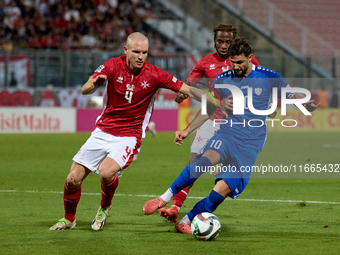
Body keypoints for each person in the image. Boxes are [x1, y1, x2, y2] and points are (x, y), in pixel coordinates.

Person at [143, 37, 319, 233]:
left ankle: (186, 220)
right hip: (228, 134)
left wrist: (305, 105)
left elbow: (290, 96)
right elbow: (211, 107)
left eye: (240, 62)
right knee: (201, 163)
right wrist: (189, 128)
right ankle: (163, 198)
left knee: (220, 192)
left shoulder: (269, 76)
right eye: (233, 62)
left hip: (251, 144)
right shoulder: (222, 79)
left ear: (250, 58)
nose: (236, 66)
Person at [49, 32, 210, 231]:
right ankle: (69, 219)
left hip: (128, 136)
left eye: (145, 52)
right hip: (103, 131)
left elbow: (187, 89)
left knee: (106, 173)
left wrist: (209, 99)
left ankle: (105, 207)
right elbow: (84, 89)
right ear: (126, 51)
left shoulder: (155, 74)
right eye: (136, 52)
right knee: (72, 178)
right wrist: (94, 85)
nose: (141, 56)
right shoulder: (112, 65)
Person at [157, 24, 261, 223]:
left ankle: (202, 208)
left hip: (237, 127)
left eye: (228, 42)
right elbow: (189, 84)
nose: (223, 45)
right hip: (211, 119)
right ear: (214, 41)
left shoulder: (247, 60)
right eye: (220, 41)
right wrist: (181, 93)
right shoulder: (205, 63)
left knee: (225, 173)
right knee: (194, 164)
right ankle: (175, 208)